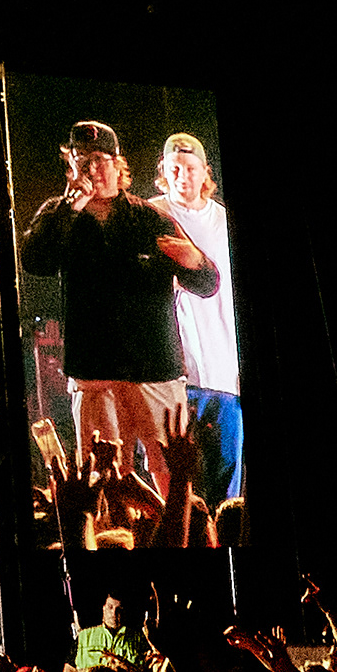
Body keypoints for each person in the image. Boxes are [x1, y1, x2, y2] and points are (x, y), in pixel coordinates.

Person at [18, 121, 221, 547]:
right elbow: (34, 261)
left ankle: (186, 541)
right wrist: (69, 209)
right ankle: (113, 546)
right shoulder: (60, 217)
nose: (92, 170)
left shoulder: (148, 218)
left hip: (155, 369)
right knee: (103, 474)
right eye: (82, 161)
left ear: (117, 164)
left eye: (100, 160)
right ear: (70, 166)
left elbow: (208, 283)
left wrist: (194, 260)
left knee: (169, 467)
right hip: (95, 372)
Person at [149, 131, 242, 525]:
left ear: (205, 172)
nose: (182, 176)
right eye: (174, 168)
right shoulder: (150, 215)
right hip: (173, 375)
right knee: (179, 483)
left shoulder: (224, 221)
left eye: (190, 168)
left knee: (226, 480)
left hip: (225, 374)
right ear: (163, 172)